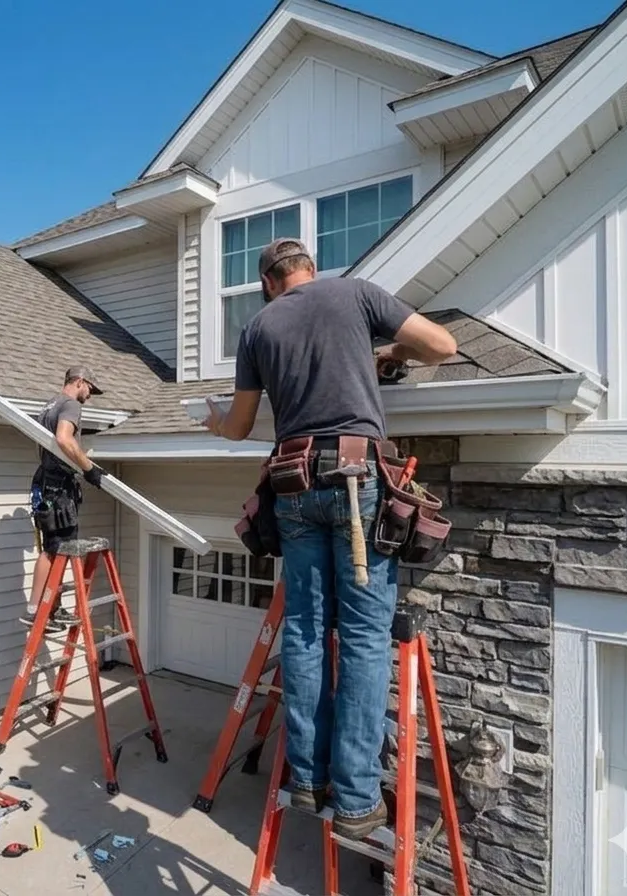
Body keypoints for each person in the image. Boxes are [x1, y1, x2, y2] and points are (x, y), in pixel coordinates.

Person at [203, 237, 457, 839]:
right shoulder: (356, 293)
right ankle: (356, 799)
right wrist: (388, 348)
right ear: (312, 270)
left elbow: (239, 427)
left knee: (307, 632)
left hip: (292, 483)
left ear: (269, 281)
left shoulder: (258, 327)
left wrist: (213, 421)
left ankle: (309, 779)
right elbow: (443, 346)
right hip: (354, 478)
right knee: (366, 636)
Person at [23, 366, 107, 633]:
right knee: (55, 550)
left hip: (46, 484)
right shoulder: (71, 405)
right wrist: (89, 469)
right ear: (79, 382)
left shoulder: (49, 405)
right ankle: (37, 610)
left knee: (55, 547)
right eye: (90, 389)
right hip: (58, 489)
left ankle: (51, 608)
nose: (90, 395)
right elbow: (64, 439)